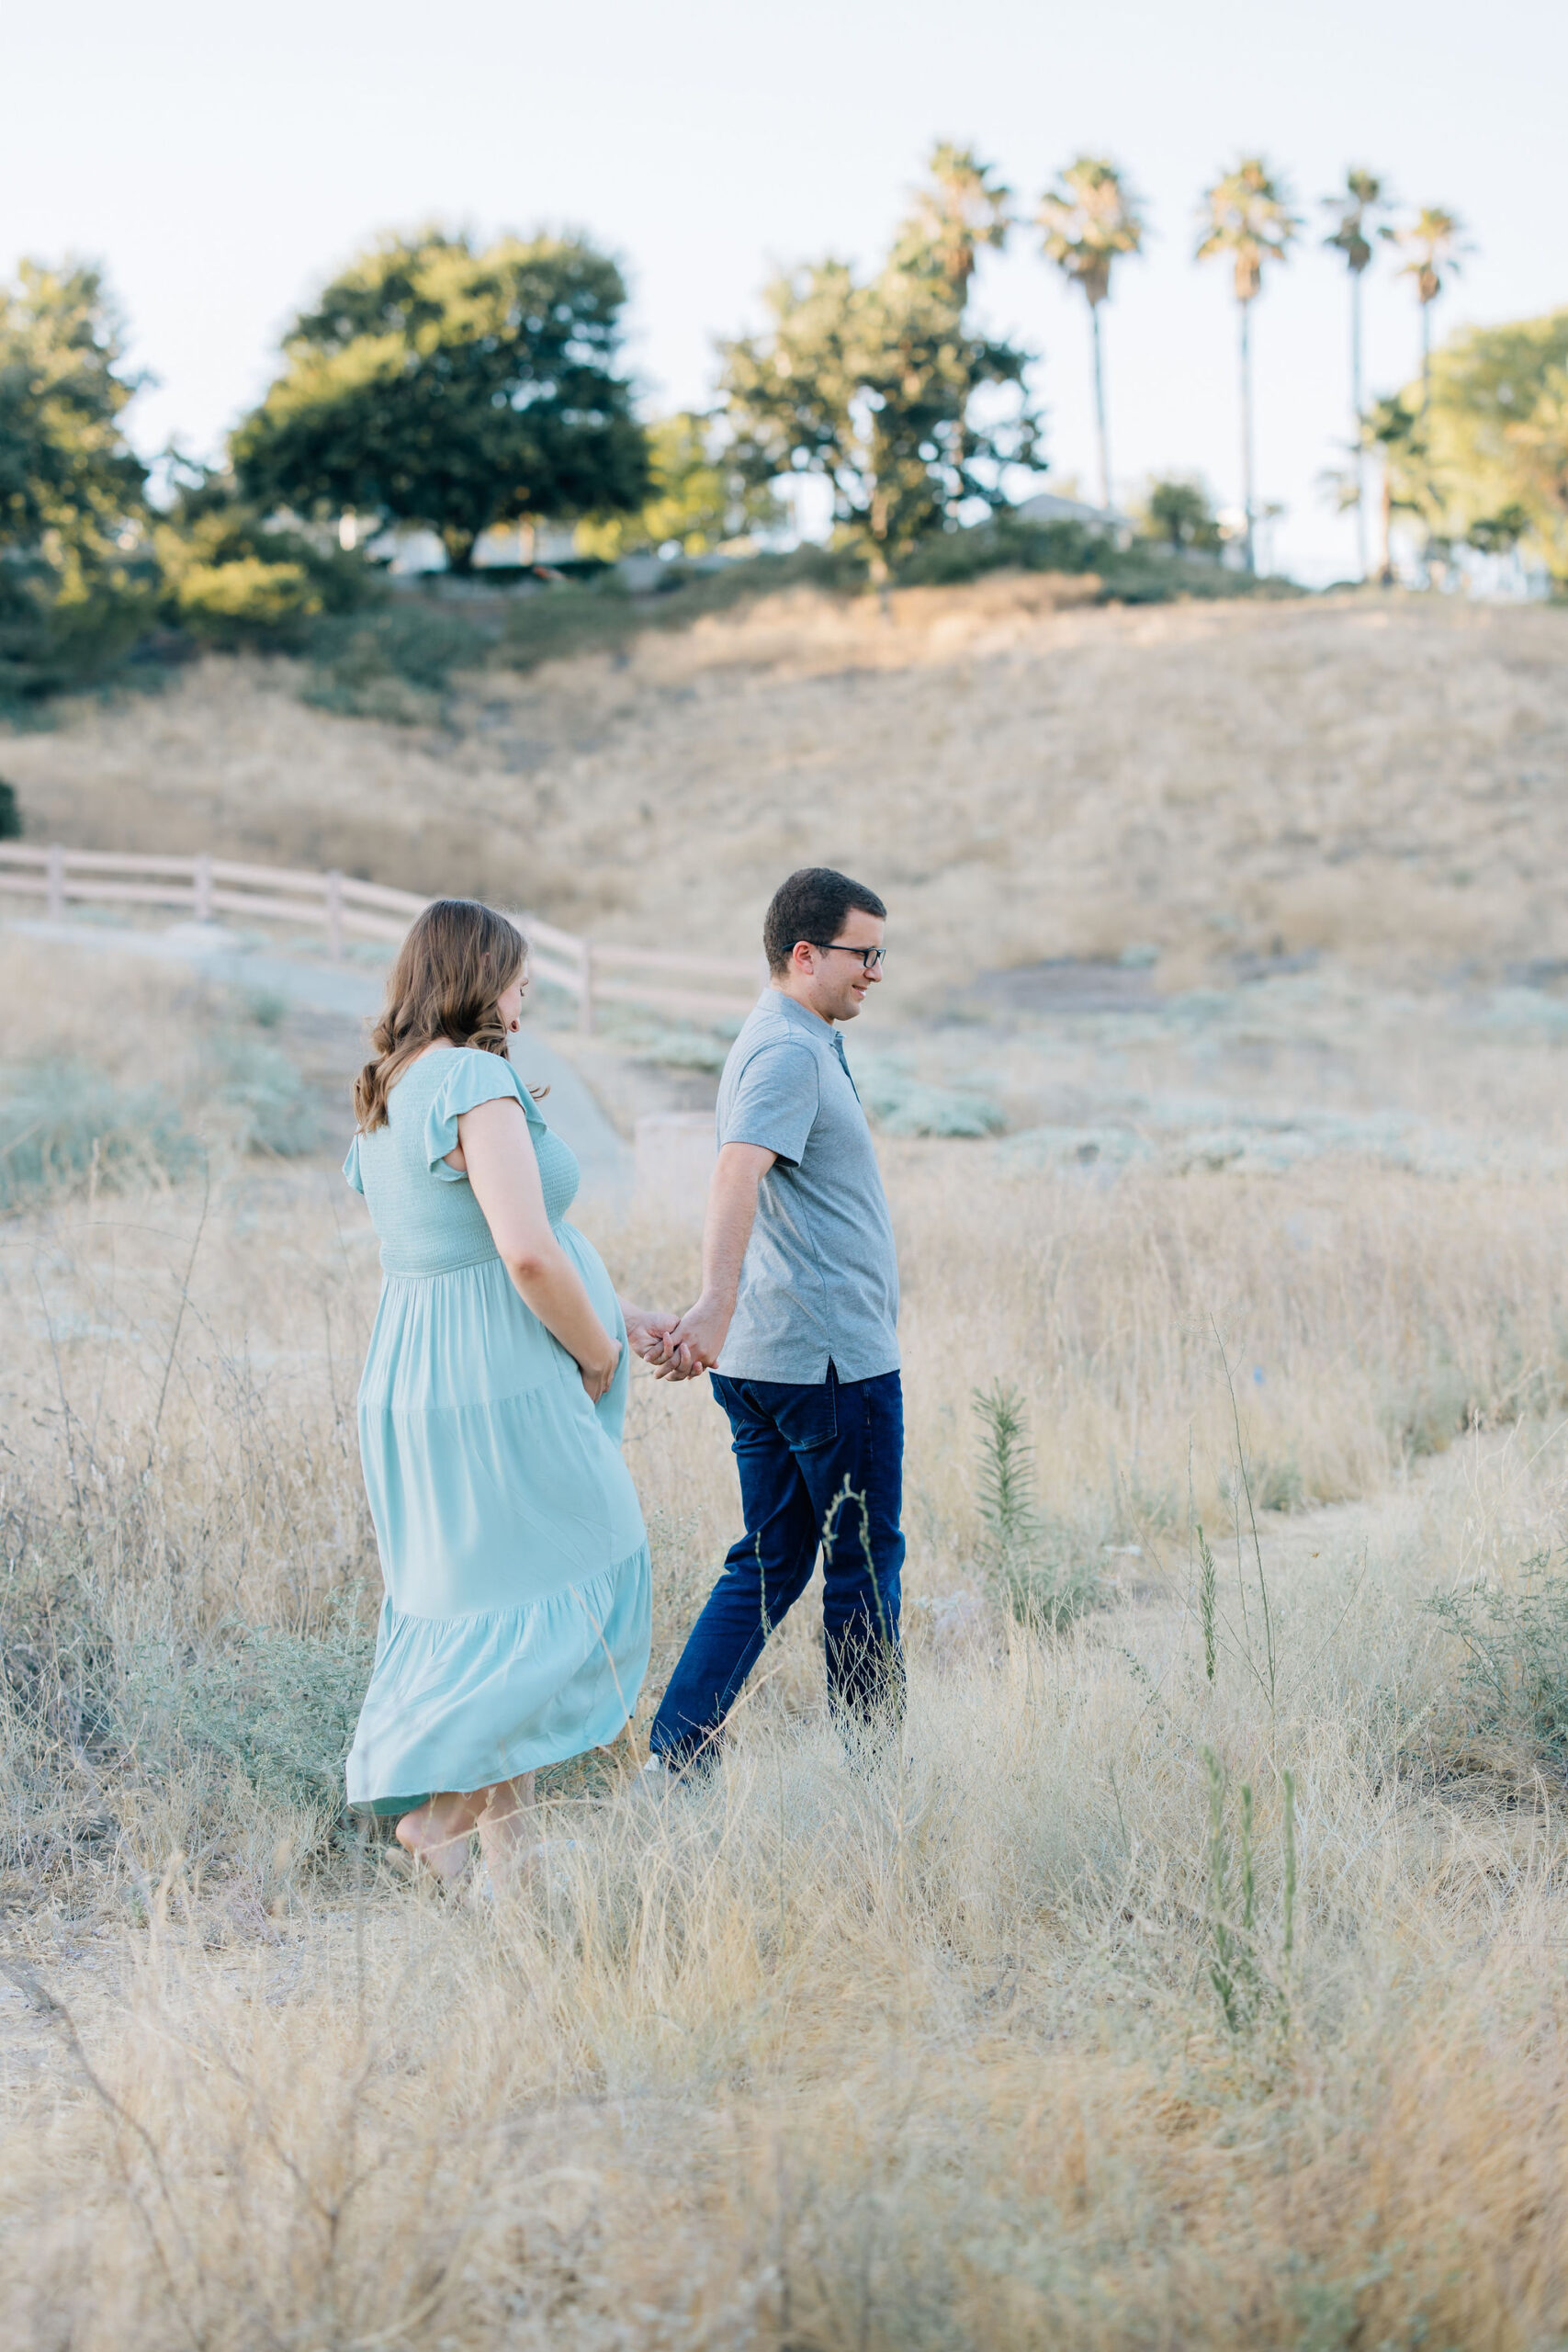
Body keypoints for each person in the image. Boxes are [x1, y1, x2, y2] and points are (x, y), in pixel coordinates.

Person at [342, 899, 689, 1884]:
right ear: (480, 974)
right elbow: (528, 1256)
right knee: (593, 1574)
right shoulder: (472, 1077)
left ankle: (513, 1881)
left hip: (417, 1378)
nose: (526, 996)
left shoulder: (392, 1086)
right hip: (495, 1380)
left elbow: (483, 1253)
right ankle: (441, 1816)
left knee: (497, 1606)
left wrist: (625, 1311)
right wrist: (599, 1353)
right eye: (521, 978)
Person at [647, 866, 904, 1772]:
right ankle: (879, 1783)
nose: (875, 970)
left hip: (780, 1357)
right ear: (806, 954)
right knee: (863, 1562)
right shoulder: (789, 1049)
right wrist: (712, 1301)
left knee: (771, 1558)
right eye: (863, 953)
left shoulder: (794, 1037)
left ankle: (679, 1759)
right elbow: (735, 1170)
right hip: (825, 1363)